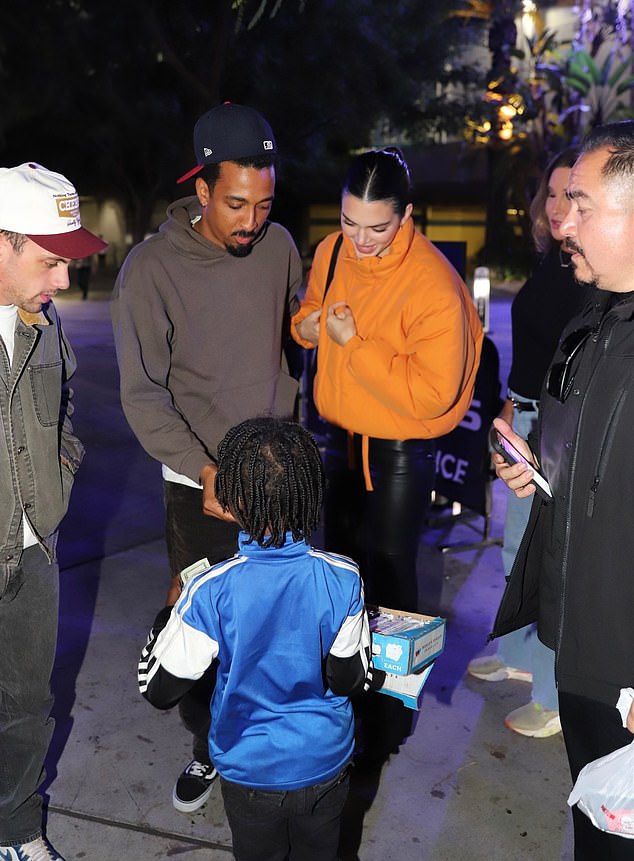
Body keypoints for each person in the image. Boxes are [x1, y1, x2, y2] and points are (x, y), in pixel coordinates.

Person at [111, 103, 303, 813]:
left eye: (264, 202)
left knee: (278, 626)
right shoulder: (150, 270)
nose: (251, 219)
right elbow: (143, 395)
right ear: (200, 189)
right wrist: (205, 470)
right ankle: (207, 746)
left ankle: (265, 736)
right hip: (200, 482)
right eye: (235, 203)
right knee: (208, 634)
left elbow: (290, 335)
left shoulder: (280, 246)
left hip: (281, 474)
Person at [138, 417, 372, 861]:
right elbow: (347, 676)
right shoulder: (342, 575)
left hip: (249, 770)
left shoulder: (210, 588)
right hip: (325, 764)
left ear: (232, 501)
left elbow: (159, 688)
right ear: (310, 492)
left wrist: (167, 614)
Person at [491, 122, 634, 861]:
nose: (561, 220)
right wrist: (532, 469)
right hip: (580, 641)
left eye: (579, 203)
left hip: (628, 661)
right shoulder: (592, 317)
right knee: (598, 804)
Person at [291, 148, 483, 763]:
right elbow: (303, 321)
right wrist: (313, 328)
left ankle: (393, 712)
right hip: (338, 439)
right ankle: (345, 693)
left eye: (378, 226)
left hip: (399, 449)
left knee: (392, 578)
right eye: (349, 222)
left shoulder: (432, 283)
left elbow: (433, 393)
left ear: (406, 216)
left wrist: (354, 342)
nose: (361, 240)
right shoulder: (330, 252)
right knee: (341, 574)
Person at [0, 163, 106, 861]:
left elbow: (63, 409)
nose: (63, 280)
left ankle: (13, 828)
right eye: (49, 259)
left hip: (33, 549)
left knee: (27, 704)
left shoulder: (43, 320)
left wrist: (59, 474)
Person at [468, 148, 590, 738]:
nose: (561, 207)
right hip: (528, 416)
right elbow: (533, 350)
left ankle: (553, 694)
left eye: (575, 195)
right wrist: (510, 405)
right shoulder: (552, 259)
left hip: (560, 426)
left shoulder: (594, 269)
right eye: (554, 193)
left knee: (543, 560)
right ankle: (519, 654)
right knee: (515, 551)